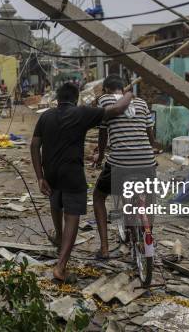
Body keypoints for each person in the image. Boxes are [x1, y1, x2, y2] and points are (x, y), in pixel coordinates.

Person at [30, 82, 134, 283]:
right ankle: (60, 267)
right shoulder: (82, 113)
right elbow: (117, 109)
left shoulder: (46, 116)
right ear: (76, 98)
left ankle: (60, 239)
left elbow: (34, 146)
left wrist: (40, 176)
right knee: (72, 216)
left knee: (56, 201)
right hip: (72, 173)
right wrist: (129, 94)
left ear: (57, 99)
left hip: (50, 172)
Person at [92, 74, 161, 259]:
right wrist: (153, 148)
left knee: (98, 197)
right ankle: (149, 235)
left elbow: (103, 133)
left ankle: (105, 248)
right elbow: (150, 134)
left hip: (120, 163)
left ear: (106, 89)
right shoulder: (141, 103)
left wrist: (99, 156)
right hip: (146, 161)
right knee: (149, 199)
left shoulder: (104, 100)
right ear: (123, 88)